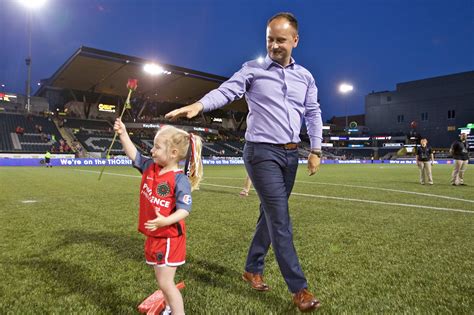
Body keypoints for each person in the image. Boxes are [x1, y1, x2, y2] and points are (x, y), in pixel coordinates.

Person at [165, 12, 322, 312]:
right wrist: (199, 105)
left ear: (295, 41)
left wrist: (315, 150)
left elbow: (313, 113)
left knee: (269, 215)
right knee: (280, 218)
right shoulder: (252, 70)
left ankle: (252, 267)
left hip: (291, 154)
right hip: (261, 153)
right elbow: (227, 91)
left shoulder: (306, 77)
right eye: (269, 40)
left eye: (281, 40)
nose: (274, 46)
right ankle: (299, 289)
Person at [114, 118, 203, 315]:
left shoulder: (179, 180)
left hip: (169, 238)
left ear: (173, 153)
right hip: (154, 236)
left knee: (166, 282)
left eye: (157, 147)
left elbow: (184, 209)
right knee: (162, 281)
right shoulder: (150, 167)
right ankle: (170, 307)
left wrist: (165, 221)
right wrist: (123, 134)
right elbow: (134, 155)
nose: (151, 150)